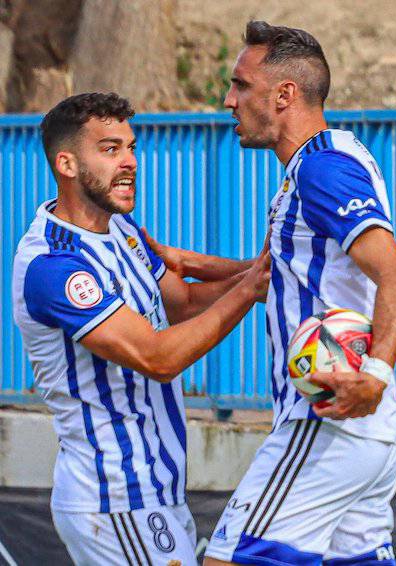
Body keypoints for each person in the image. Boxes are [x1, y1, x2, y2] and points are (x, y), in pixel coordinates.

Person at [12, 92, 270, 566]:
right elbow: (157, 357)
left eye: (131, 147)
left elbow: (186, 302)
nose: (129, 161)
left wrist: (270, 272)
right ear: (66, 163)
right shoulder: (54, 265)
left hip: (154, 491)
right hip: (114, 497)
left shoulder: (121, 229)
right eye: (110, 149)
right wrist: (250, 288)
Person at [196, 21, 396, 566]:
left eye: (241, 85)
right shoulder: (323, 162)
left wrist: (375, 376)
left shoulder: (321, 170)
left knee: (228, 559)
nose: (229, 100)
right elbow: (272, 274)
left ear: (284, 94)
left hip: (328, 418)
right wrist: (184, 262)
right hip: (366, 428)